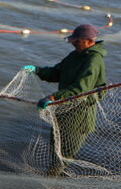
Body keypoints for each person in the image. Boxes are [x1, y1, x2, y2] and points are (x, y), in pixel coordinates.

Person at [24, 23, 107, 176]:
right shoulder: (75, 55)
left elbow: (81, 89)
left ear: (89, 41)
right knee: (55, 147)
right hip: (63, 111)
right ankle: (54, 176)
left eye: (77, 40)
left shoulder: (94, 60)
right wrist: (38, 70)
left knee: (65, 155)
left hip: (79, 117)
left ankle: (50, 183)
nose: (73, 43)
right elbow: (57, 72)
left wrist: (54, 97)